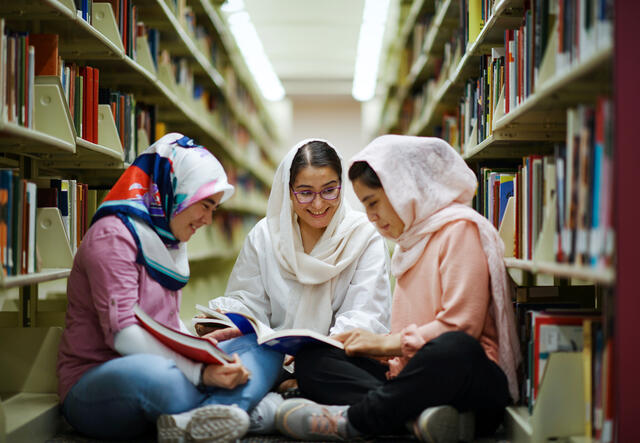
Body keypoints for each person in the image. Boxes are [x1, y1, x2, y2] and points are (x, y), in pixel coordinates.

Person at [275, 135, 522, 442]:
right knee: (314, 359)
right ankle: (417, 419)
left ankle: (355, 419)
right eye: (364, 206)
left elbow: (462, 327)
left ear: (403, 190)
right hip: (411, 375)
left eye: (374, 202)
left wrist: (384, 344)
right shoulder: (410, 241)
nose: (371, 217)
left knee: (455, 348)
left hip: (467, 380)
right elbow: (409, 339)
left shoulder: (460, 229)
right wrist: (375, 351)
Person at [56, 133, 283, 442]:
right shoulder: (112, 236)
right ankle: (243, 409)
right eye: (205, 205)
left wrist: (196, 344)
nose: (207, 219)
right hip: (101, 376)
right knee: (159, 378)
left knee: (266, 347)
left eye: (213, 208)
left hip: (167, 362)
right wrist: (200, 371)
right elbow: (124, 336)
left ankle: (202, 418)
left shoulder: (168, 238)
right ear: (176, 190)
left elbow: (166, 322)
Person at [202, 138, 392, 432]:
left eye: (329, 190)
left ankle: (275, 401)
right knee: (237, 352)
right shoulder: (265, 235)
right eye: (305, 193)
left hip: (335, 361)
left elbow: (366, 315)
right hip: (275, 358)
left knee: (315, 365)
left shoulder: (364, 235)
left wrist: (312, 351)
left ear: (342, 185)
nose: (318, 204)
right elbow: (246, 299)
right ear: (288, 192)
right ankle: (291, 397)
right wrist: (225, 317)